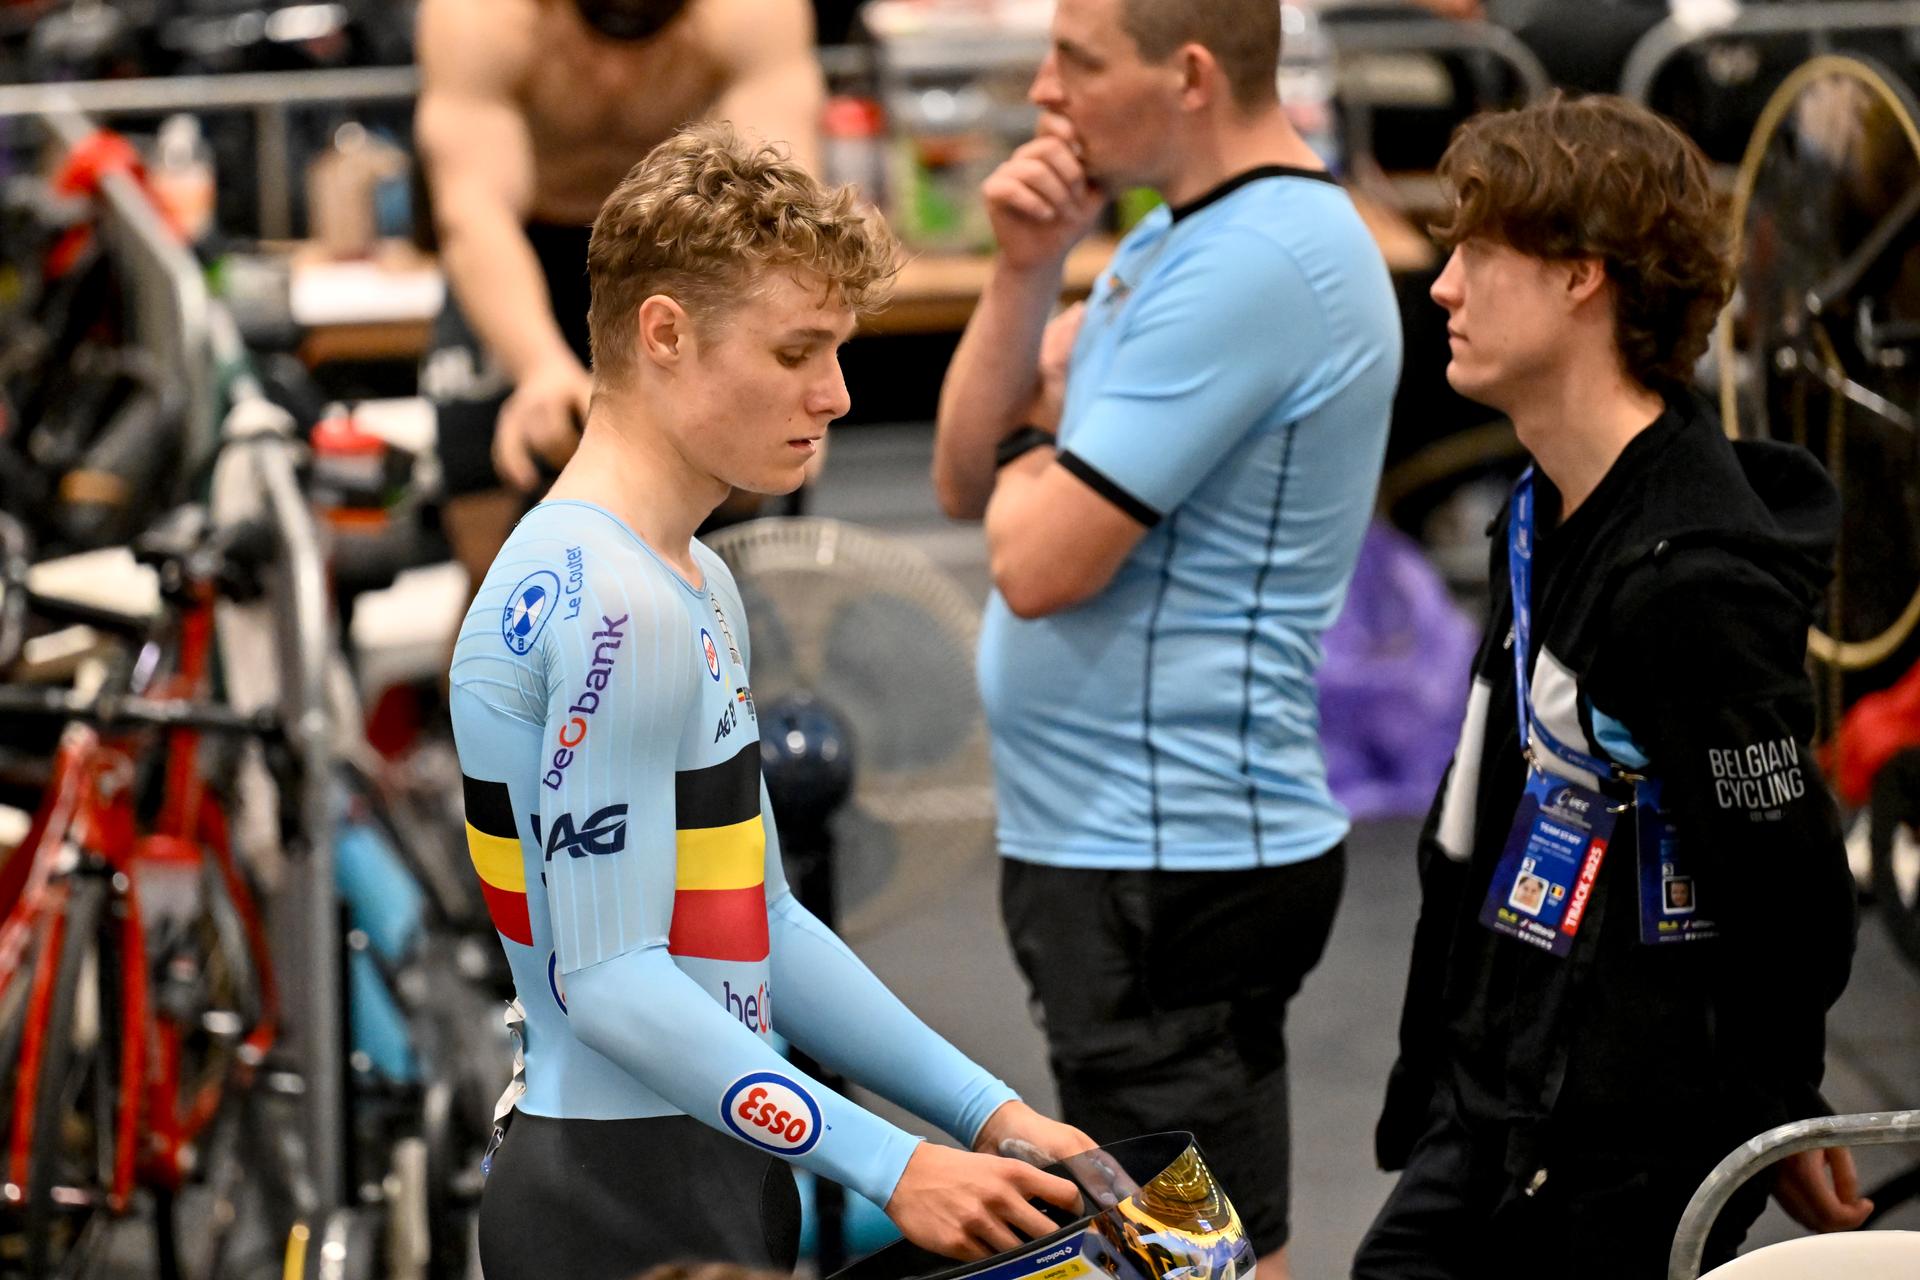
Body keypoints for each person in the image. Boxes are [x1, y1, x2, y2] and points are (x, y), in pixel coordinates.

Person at [450, 125, 1093, 1280]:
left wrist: (988, 1109)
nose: (836, 393)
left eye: (838, 350)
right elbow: (608, 979)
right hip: (621, 1197)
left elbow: (766, 925)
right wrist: (893, 1161)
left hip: (699, 1163)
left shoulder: (690, 577)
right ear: (666, 334)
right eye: (797, 349)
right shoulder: (617, 603)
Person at [1356, 94, 1867, 1279]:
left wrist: (1774, 1106)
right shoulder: (1543, 503)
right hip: (1499, 1083)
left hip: (1621, 1134)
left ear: (1583, 277)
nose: (1444, 286)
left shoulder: (1689, 583)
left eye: (1480, 254)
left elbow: (1791, 884)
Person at [930, 1, 1403, 1274]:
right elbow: (965, 475)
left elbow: (1033, 562)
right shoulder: (1173, 238)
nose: (1044, 91)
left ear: (1189, 75)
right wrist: (1026, 265)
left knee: (1196, 1258)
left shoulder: (1267, 259)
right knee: (1203, 1241)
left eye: (1079, 62)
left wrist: (1040, 439)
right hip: (1127, 847)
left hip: (1168, 861)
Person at [414, 0, 825, 593]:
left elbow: (777, 202)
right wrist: (538, 366)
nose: (612, 69)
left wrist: (791, 358)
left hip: (677, 253)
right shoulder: (484, 16)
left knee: (727, 536)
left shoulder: (749, 13)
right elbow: (473, 212)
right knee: (492, 562)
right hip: (525, 251)